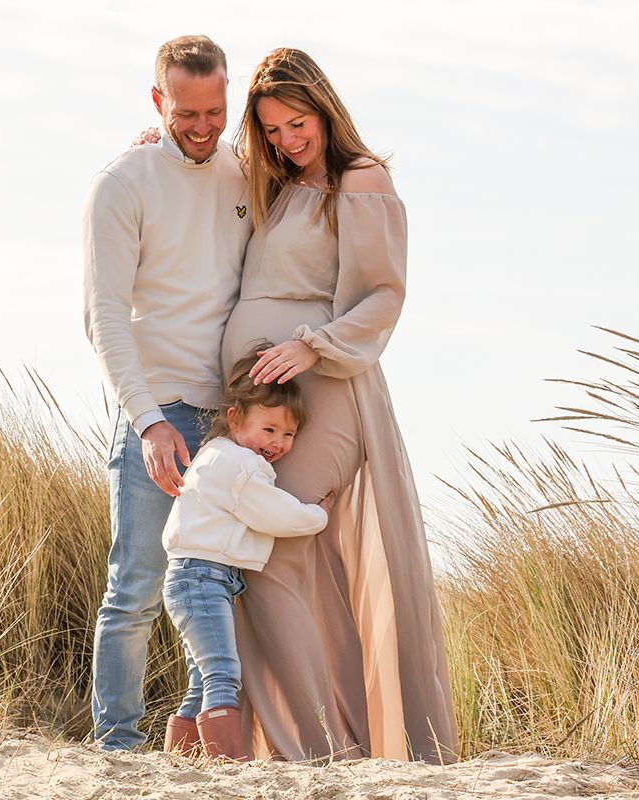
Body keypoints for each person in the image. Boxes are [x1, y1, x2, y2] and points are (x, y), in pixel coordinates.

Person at [222, 47, 458, 762]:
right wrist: (154, 146)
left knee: (267, 552)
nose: (287, 140)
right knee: (280, 562)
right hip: (267, 401)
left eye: (298, 124)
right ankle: (326, 740)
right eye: (271, 130)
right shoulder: (277, 185)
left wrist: (313, 347)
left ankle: (319, 750)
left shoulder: (360, 179)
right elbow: (200, 161)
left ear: (324, 110)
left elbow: (384, 293)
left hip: (323, 394)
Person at [82, 34, 251, 751]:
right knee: (138, 584)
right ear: (158, 101)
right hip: (164, 413)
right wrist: (149, 422)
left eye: (216, 111)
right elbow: (103, 318)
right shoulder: (122, 183)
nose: (203, 127)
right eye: (187, 113)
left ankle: (192, 732)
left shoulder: (242, 173)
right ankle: (116, 743)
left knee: (217, 584)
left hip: (233, 418)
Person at [160, 350, 334, 761]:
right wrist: (317, 516)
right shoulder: (240, 466)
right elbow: (274, 512)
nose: (277, 442)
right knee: (222, 674)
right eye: (269, 429)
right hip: (202, 579)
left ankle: (179, 762)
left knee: (203, 680)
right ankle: (230, 765)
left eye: (288, 435)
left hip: (193, 578)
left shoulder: (218, 454)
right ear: (235, 419)